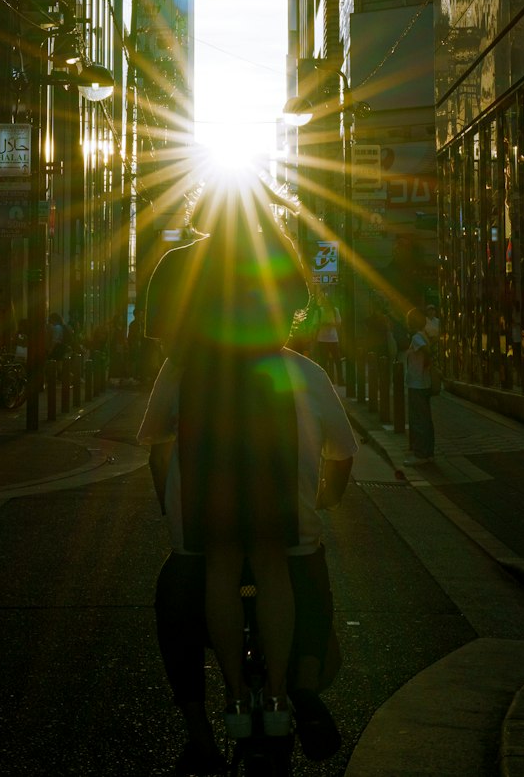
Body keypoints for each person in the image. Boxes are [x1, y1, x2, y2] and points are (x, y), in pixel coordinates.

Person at [139, 175, 356, 770]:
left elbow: (162, 346)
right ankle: (286, 690)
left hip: (206, 397)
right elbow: (297, 310)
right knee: (273, 558)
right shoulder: (280, 255)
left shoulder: (181, 264)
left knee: (215, 562)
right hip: (268, 404)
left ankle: (230, 694)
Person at [403, 306, 434, 463]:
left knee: (418, 419)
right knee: (425, 418)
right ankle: (427, 452)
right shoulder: (424, 334)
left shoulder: (417, 338)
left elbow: (426, 351)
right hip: (423, 383)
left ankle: (420, 454)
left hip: (418, 384)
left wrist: (426, 365)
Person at [313, 293, 341, 381]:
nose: (327, 307)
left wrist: (331, 324)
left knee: (337, 360)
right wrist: (323, 324)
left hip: (333, 338)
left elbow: (339, 323)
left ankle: (340, 379)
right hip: (322, 339)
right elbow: (315, 324)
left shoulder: (335, 310)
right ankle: (325, 379)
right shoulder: (319, 312)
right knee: (324, 360)